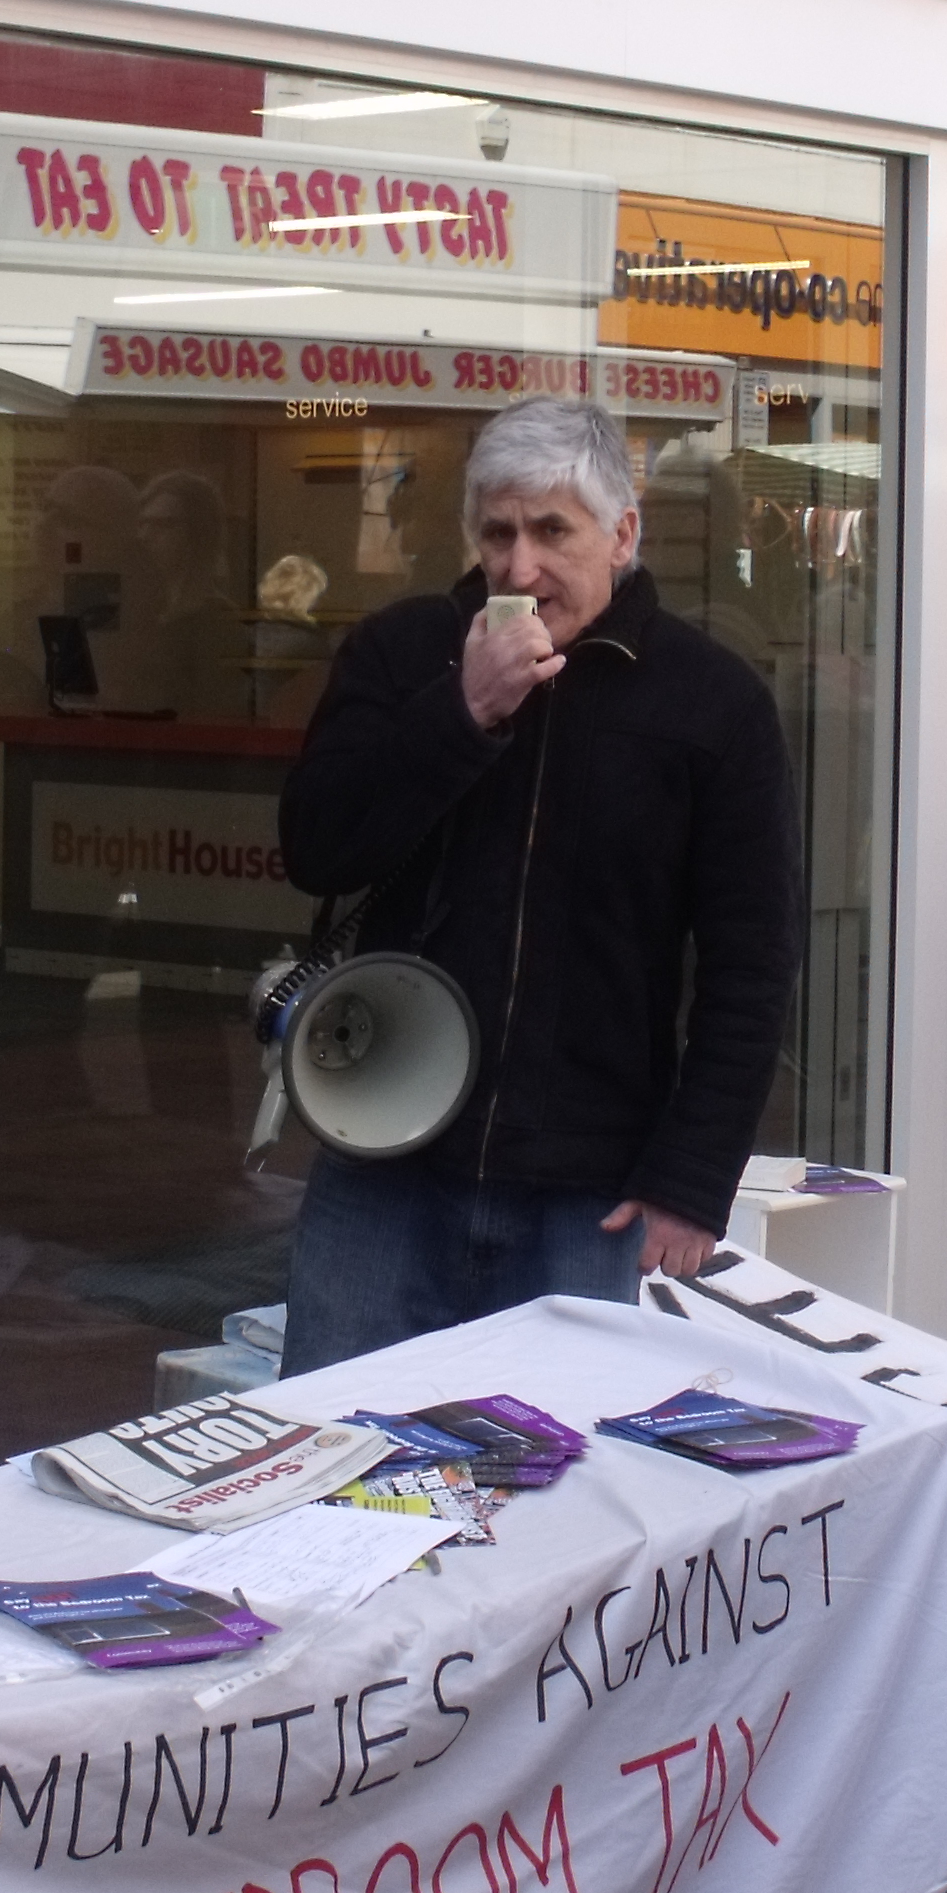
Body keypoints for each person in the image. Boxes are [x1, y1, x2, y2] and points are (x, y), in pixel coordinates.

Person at [274, 396, 801, 1373]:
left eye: (552, 532)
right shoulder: (403, 653)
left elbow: (752, 961)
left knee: (566, 1453)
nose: (519, 569)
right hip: (388, 1159)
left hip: (589, 1186)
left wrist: (692, 1174)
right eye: (498, 534)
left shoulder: (712, 703)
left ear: (622, 535)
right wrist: (462, 711)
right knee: (341, 1436)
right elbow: (317, 846)